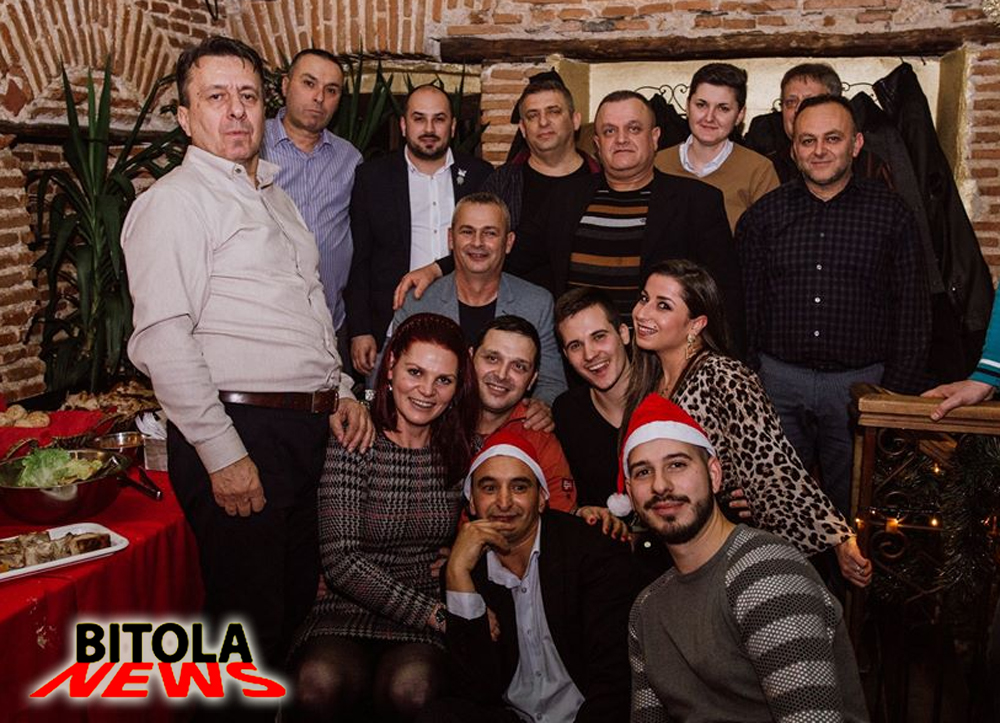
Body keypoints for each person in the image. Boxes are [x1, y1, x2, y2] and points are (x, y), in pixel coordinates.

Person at [123, 36, 372, 685]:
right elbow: (164, 339)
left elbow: (309, 305)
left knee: (288, 613)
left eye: (247, 96)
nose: (236, 110)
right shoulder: (175, 202)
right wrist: (221, 453)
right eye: (216, 97)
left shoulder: (274, 198)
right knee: (244, 634)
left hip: (301, 433)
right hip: (241, 431)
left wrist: (342, 389)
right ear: (185, 117)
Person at [397, 90, 742, 354]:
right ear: (597, 143)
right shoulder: (567, 197)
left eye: (633, 129)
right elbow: (509, 252)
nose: (621, 139)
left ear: (654, 138)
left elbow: (725, 294)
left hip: (663, 364)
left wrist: (729, 359)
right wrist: (438, 269)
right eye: (610, 131)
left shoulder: (697, 201)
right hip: (582, 364)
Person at [617, 259, 872, 587]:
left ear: (696, 324)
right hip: (671, 546)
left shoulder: (724, 376)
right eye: (644, 298)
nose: (643, 313)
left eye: (663, 305)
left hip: (722, 547)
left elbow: (772, 463)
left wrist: (838, 538)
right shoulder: (648, 380)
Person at [738, 94, 931, 518]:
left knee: (855, 509)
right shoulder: (764, 217)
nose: (819, 150)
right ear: (793, 150)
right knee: (776, 506)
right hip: (778, 385)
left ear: (856, 144)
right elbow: (746, 307)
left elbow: (913, 313)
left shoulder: (892, 215)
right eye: (807, 141)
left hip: (860, 387)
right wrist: (754, 379)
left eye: (832, 138)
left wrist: (892, 397)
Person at [623, 393, 869, 722]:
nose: (660, 485)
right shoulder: (647, 609)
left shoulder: (765, 571)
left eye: (677, 464)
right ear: (631, 494)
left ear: (714, 474)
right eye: (643, 472)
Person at [289, 313, 480, 722]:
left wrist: (460, 556)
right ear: (390, 367)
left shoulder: (460, 449)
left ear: (457, 387)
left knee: (412, 690)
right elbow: (340, 562)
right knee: (317, 684)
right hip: (345, 608)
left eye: (443, 380)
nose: (426, 391)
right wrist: (436, 615)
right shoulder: (356, 435)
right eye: (415, 372)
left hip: (421, 614)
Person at [420, 428, 637, 723]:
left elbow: (614, 681)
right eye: (489, 488)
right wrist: (457, 575)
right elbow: (475, 689)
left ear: (542, 498)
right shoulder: (466, 569)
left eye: (519, 487)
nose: (504, 502)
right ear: (471, 502)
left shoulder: (590, 551)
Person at [346, 84, 492, 378]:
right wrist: (360, 329)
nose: (429, 129)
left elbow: (490, 248)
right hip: (392, 326)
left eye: (439, 119)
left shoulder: (480, 175)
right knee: (384, 405)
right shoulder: (372, 177)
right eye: (419, 118)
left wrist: (438, 269)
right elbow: (358, 258)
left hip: (465, 322)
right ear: (403, 125)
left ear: (452, 126)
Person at [393, 192, 567, 406]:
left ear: (509, 242)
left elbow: (552, 383)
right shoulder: (417, 302)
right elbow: (388, 372)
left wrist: (539, 410)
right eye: (467, 231)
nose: (477, 242)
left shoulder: (537, 304)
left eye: (490, 233)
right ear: (451, 238)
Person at [471, 315, 628, 537]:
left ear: (532, 380)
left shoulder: (540, 438)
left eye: (519, 366)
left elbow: (560, 518)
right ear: (470, 358)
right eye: (492, 358)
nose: (502, 374)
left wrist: (581, 516)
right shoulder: (438, 415)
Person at [261, 48, 361, 363]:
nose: (319, 97)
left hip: (331, 328)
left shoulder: (350, 159)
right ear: (285, 85)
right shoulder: (252, 145)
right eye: (309, 83)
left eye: (331, 90)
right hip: (264, 331)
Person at [654, 62, 778, 233]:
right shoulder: (657, 164)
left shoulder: (759, 171)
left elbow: (770, 238)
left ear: (739, 115)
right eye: (701, 105)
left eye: (723, 108)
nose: (709, 117)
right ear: (687, 106)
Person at [483, 77, 599, 235]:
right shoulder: (501, 184)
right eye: (533, 115)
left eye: (553, 112)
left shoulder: (604, 180)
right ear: (523, 128)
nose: (543, 122)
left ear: (575, 120)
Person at [745, 61, 892, 186]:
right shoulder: (764, 165)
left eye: (811, 101)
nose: (799, 110)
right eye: (791, 102)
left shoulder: (868, 166)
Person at [552, 287, 632, 508]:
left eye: (599, 337)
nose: (589, 354)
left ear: (623, 334)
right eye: (575, 345)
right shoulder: (567, 412)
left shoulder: (667, 395)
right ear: (566, 356)